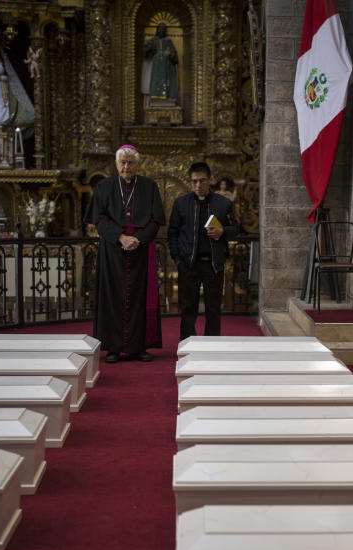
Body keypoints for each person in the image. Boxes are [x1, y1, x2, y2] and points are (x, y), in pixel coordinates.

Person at [85, 145, 165, 362]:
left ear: (138, 165)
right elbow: (99, 219)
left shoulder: (149, 186)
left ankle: (138, 347)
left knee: (139, 297)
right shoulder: (104, 186)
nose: (126, 166)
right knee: (112, 296)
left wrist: (138, 239)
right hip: (113, 249)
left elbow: (156, 219)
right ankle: (113, 347)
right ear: (116, 164)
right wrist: (120, 237)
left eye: (131, 162)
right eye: (123, 162)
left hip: (141, 250)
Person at [168, 162, 238, 341]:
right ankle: (187, 345)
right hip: (189, 265)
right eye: (194, 181)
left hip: (213, 265)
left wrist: (222, 231)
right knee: (188, 308)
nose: (198, 185)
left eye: (202, 181)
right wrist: (177, 259)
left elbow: (236, 229)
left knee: (213, 309)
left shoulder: (223, 203)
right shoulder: (181, 203)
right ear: (190, 182)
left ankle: (211, 347)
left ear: (211, 180)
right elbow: (173, 233)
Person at [142, 23, 178, 102]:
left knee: (167, 80)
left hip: (167, 65)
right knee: (156, 80)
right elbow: (145, 51)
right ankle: (155, 97)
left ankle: (168, 97)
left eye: (163, 29)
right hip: (157, 64)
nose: (161, 30)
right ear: (157, 30)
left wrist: (170, 53)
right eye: (160, 29)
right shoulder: (153, 40)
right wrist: (146, 44)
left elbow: (174, 53)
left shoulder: (168, 41)